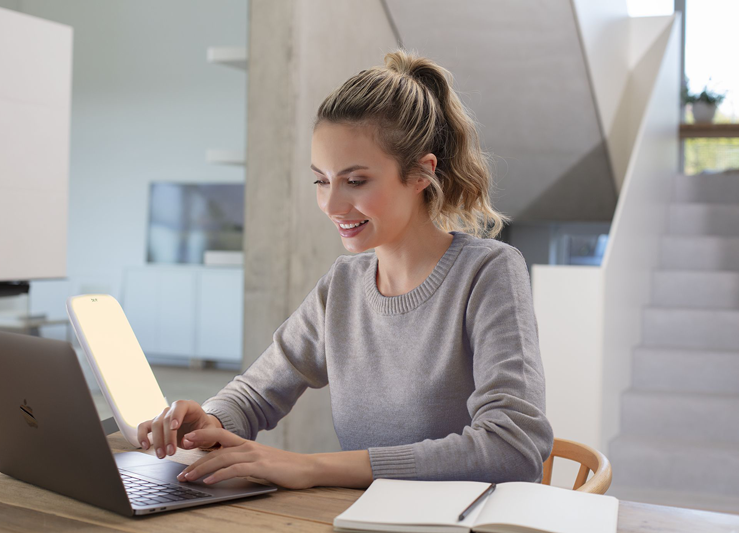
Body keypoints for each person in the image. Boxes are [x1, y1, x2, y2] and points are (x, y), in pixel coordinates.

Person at [137, 49, 554, 490]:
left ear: (420, 174)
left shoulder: (488, 272)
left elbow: (513, 447)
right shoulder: (343, 285)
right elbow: (257, 393)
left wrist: (311, 468)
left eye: (355, 181)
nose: (332, 205)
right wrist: (210, 420)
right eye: (321, 180)